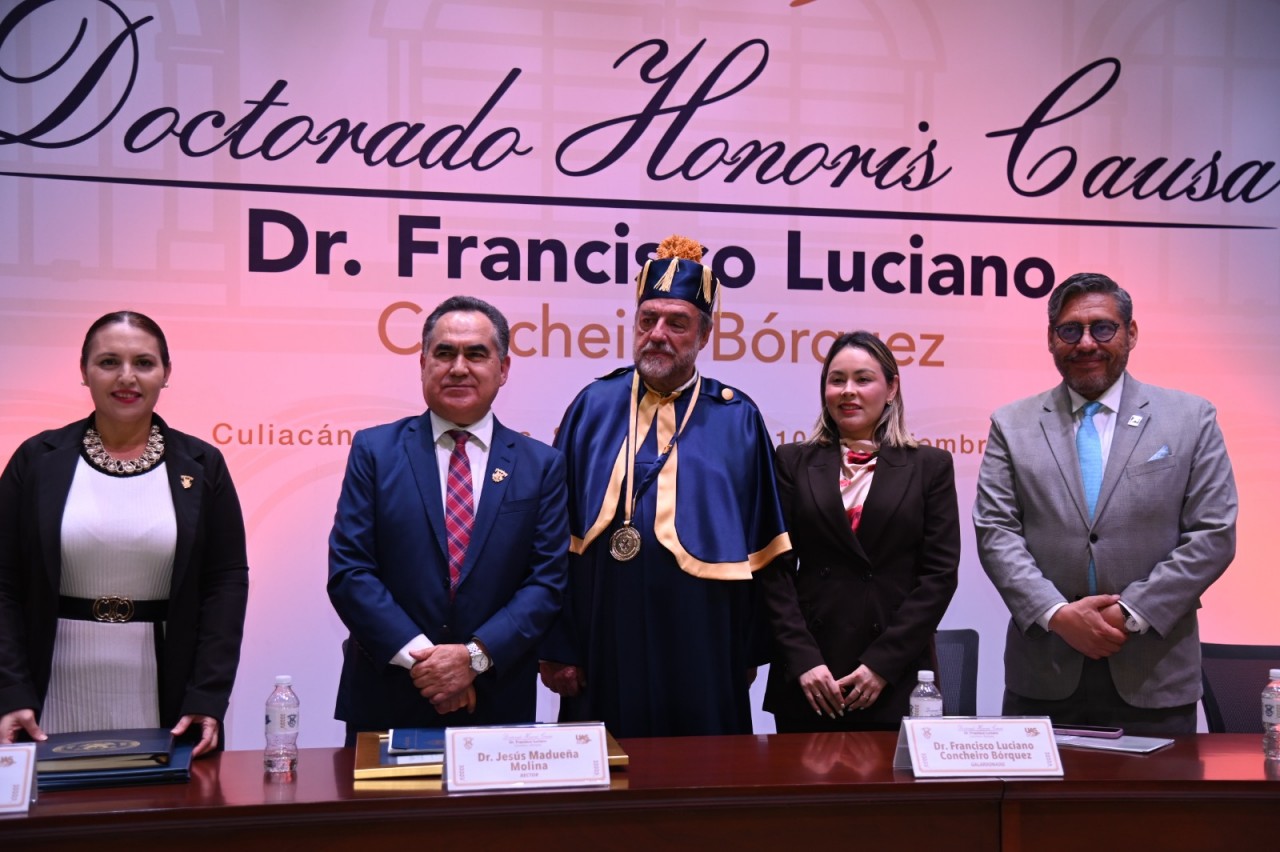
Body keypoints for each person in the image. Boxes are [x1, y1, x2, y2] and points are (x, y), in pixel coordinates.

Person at [540, 235, 791, 738]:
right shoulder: (591, 406)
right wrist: (557, 644)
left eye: (677, 323)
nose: (657, 334)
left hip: (704, 633)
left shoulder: (738, 417)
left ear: (704, 335)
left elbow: (765, 550)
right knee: (607, 767)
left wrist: (747, 650)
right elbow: (551, 538)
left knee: (703, 769)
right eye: (647, 320)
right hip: (604, 628)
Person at [974, 272, 1237, 735]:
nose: (1086, 343)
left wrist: (1130, 613)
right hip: (1045, 670)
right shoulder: (1011, 424)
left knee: (1160, 789)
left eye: (1103, 327)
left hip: (1154, 673)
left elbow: (1213, 535)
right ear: (1051, 339)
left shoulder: (1191, 418)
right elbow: (996, 532)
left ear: (1130, 333)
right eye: (1070, 330)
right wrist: (1058, 615)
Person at [0, 311, 249, 756]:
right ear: (84, 371)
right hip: (46, 696)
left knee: (162, 801)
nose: (127, 377)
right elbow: (3, 583)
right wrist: (10, 691)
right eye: (109, 362)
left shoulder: (202, 465)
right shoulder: (36, 460)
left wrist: (208, 696)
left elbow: (225, 585)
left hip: (168, 700)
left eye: (144, 363)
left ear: (166, 373)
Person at [328, 295, 568, 742]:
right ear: (423, 364)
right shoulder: (374, 452)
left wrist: (472, 660)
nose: (459, 367)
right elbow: (350, 572)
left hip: (496, 702)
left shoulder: (541, 466)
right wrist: (430, 664)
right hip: (387, 698)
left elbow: (546, 583)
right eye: (444, 353)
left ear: (503, 368)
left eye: (476, 354)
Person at [760, 331, 960, 731]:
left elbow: (938, 577)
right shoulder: (792, 461)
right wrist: (804, 661)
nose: (848, 391)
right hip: (811, 676)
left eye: (863, 379)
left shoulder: (930, 466)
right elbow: (773, 571)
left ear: (891, 389)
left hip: (894, 673)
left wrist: (881, 665)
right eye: (837, 380)